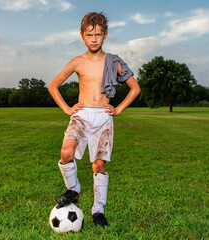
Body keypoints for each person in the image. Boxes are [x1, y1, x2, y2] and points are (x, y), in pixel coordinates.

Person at [48, 12, 140, 228]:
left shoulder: (114, 62)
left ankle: (98, 210)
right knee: (66, 152)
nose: (94, 39)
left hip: (102, 118)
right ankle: (73, 189)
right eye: (90, 35)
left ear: (105, 35)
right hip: (81, 115)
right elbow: (53, 86)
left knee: (98, 166)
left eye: (98, 34)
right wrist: (67, 108)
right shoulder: (77, 62)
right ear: (82, 36)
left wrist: (117, 109)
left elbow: (135, 88)